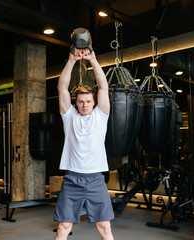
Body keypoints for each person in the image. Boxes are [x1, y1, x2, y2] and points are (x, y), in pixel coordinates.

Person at [54, 47, 114, 240]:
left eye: (88, 101)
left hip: (96, 179)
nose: (85, 104)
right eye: (81, 101)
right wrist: (71, 60)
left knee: (105, 227)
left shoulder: (101, 115)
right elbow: (62, 88)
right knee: (63, 227)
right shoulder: (69, 116)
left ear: (94, 102)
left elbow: (103, 87)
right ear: (76, 103)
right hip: (72, 178)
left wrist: (93, 60)